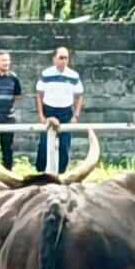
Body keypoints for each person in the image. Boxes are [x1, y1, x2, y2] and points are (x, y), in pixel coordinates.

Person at [35, 46, 86, 174]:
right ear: (54, 59)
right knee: (44, 144)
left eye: (66, 58)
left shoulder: (74, 75)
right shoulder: (46, 74)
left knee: (64, 145)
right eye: (61, 58)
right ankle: (40, 172)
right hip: (49, 111)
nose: (64, 61)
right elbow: (39, 95)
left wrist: (76, 115)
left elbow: (79, 96)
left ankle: (62, 174)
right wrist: (41, 115)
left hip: (66, 112)